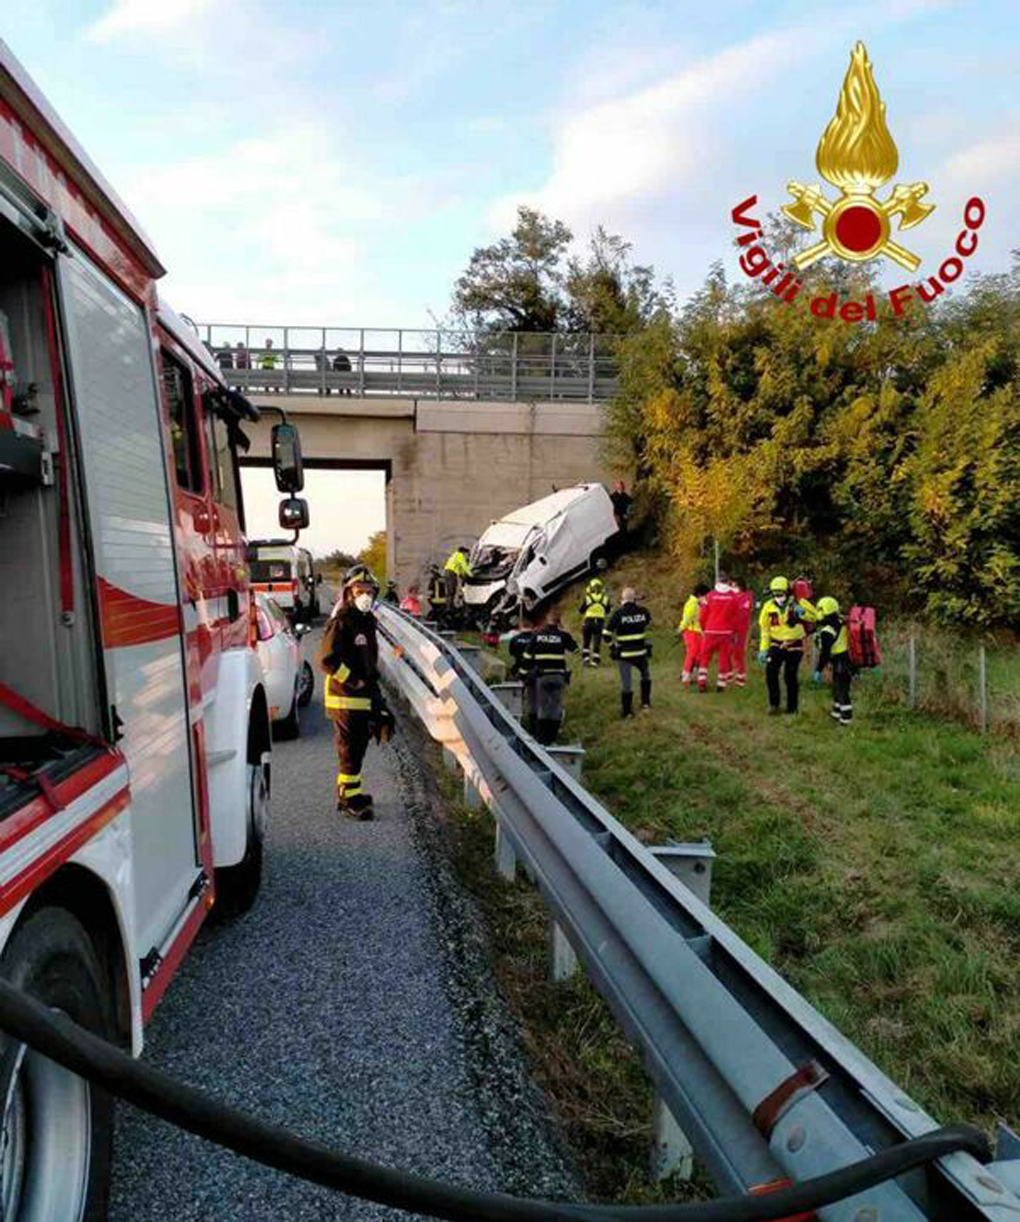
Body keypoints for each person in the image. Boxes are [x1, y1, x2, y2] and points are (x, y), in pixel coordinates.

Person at [319, 565, 395, 820]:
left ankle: (354, 791)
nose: (365, 595)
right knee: (349, 749)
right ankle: (348, 799)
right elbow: (327, 661)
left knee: (359, 746)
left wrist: (378, 701)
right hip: (344, 698)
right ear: (349, 593)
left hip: (361, 698)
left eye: (369, 591)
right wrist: (354, 681)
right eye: (359, 590)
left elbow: (367, 665)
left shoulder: (366, 621)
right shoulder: (341, 622)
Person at [757, 575, 816, 715]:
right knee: (771, 672)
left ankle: (792, 708)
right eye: (775, 594)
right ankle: (774, 704)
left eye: (781, 594)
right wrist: (763, 649)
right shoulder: (768, 607)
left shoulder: (798, 602)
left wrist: (802, 612)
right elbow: (765, 630)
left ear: (787, 592)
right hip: (776, 644)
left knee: (790, 676)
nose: (778, 596)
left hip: (795, 645)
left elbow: (815, 616)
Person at [522, 609, 578, 745]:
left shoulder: (537, 635)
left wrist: (524, 674)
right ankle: (553, 738)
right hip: (558, 676)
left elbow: (527, 656)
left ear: (547, 621)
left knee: (543, 707)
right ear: (558, 621)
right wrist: (564, 631)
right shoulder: (562, 635)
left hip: (542, 676)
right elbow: (575, 649)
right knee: (556, 706)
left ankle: (541, 739)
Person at [605, 587, 652, 718]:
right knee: (645, 676)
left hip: (625, 655)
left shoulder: (618, 614)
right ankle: (645, 703)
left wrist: (612, 647)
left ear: (622, 600)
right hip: (641, 653)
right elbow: (647, 621)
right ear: (634, 599)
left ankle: (627, 712)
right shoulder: (643, 611)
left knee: (627, 683)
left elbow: (606, 634)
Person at [814, 596, 853, 726]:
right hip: (849, 660)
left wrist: (818, 670)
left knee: (841, 691)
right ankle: (836, 715)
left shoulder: (827, 631)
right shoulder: (842, 621)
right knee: (838, 689)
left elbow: (825, 653)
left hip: (840, 662)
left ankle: (846, 721)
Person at [507, 614, 536, 733]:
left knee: (515, 697)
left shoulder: (515, 639)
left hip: (518, 670)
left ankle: (515, 722)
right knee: (534, 699)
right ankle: (533, 726)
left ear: (520, 626)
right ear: (532, 627)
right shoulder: (536, 639)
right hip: (534, 672)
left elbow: (512, 653)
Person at [676, 582, 709, 686]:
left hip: (698, 632)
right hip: (691, 632)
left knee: (698, 655)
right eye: (705, 595)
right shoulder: (692, 604)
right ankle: (685, 676)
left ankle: (692, 675)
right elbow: (686, 619)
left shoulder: (698, 603)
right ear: (699, 594)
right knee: (692, 654)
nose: (706, 598)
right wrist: (680, 629)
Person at [578, 576, 610, 667]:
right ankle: (596, 661)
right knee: (597, 642)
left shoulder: (588, 598)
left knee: (586, 641)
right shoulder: (605, 598)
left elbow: (581, 610)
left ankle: (586, 659)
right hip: (599, 623)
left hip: (588, 622)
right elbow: (607, 611)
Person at [730, 577, 755, 688]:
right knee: (727, 652)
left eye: (734, 585)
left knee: (738, 653)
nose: (732, 588)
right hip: (729, 628)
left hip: (740, 629)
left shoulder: (746, 597)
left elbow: (744, 613)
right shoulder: (732, 596)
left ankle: (740, 678)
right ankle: (728, 676)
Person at [443, 545, 473, 619]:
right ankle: (449, 609)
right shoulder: (459, 555)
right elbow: (464, 566)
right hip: (451, 574)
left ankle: (449, 607)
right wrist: (471, 575)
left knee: (451, 591)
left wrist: (462, 576)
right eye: (467, 554)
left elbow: (460, 569)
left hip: (449, 573)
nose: (467, 557)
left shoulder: (455, 555)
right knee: (451, 591)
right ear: (464, 552)